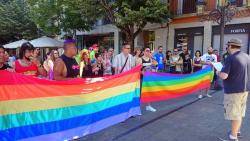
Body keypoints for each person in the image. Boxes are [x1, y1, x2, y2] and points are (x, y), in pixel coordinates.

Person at [217, 38, 250, 141]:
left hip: (233, 91)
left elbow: (224, 76)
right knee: (239, 112)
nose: (227, 48)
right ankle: (236, 131)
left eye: (228, 46)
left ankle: (233, 137)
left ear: (230, 46)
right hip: (244, 90)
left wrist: (218, 72)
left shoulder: (230, 58)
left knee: (234, 114)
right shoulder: (247, 56)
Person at [141, 47, 157, 112]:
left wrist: (152, 57)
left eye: (149, 51)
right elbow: (139, 70)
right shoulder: (140, 59)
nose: (148, 52)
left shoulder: (150, 59)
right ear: (144, 52)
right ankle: (137, 108)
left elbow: (156, 64)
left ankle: (148, 106)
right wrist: (144, 74)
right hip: (142, 78)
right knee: (140, 93)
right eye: (147, 51)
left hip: (149, 78)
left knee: (148, 92)